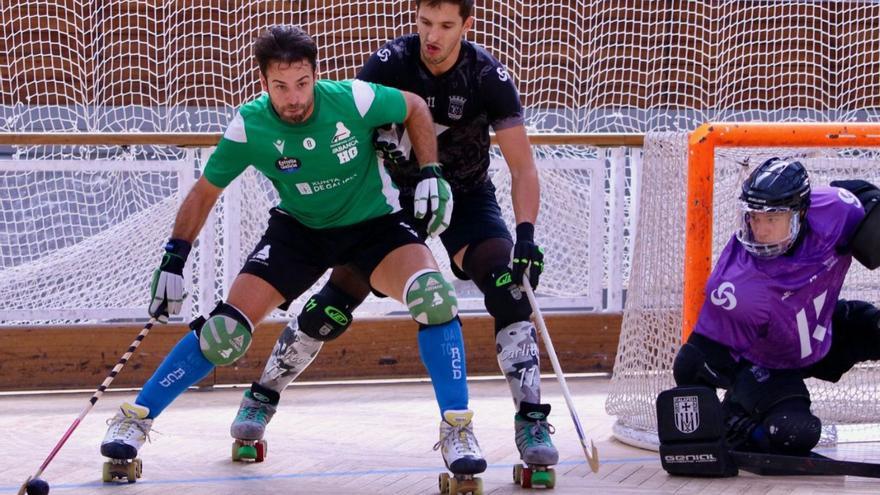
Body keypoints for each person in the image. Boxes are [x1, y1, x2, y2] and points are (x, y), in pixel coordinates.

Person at [99, 24, 486, 477]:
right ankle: (134, 420)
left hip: (374, 227)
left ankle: (457, 427)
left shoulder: (352, 99)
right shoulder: (251, 123)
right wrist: (174, 258)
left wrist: (431, 171)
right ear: (263, 83)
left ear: (315, 75)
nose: (295, 97)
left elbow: (415, 106)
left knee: (434, 298)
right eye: (281, 87)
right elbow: (205, 192)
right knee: (225, 332)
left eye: (303, 83)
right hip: (299, 231)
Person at [231, 0, 556, 472]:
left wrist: (526, 234)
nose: (434, 36)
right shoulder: (390, 63)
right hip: (394, 200)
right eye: (425, 23)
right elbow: (350, 135)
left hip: (465, 197)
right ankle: (261, 395)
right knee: (333, 306)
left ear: (467, 24)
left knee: (509, 284)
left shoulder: (488, 77)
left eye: (446, 26)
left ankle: (531, 420)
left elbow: (524, 167)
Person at [671, 157, 880, 456]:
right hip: (766, 363)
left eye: (772, 219)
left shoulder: (836, 212)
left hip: (822, 330)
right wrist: (699, 424)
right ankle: (737, 422)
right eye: (754, 217)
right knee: (794, 433)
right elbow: (693, 361)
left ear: (801, 214)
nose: (761, 229)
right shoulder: (738, 282)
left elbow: (862, 197)